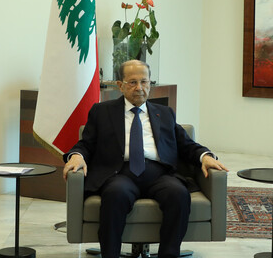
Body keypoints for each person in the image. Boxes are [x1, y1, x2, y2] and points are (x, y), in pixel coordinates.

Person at [63, 60, 228, 258]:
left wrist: (205, 156)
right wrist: (76, 156)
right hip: (119, 173)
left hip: (159, 174)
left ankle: (169, 254)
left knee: (178, 194)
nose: (139, 88)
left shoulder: (164, 113)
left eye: (144, 82)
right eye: (133, 82)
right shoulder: (102, 112)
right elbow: (86, 143)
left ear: (150, 83)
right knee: (115, 195)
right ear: (120, 85)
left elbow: (186, 144)